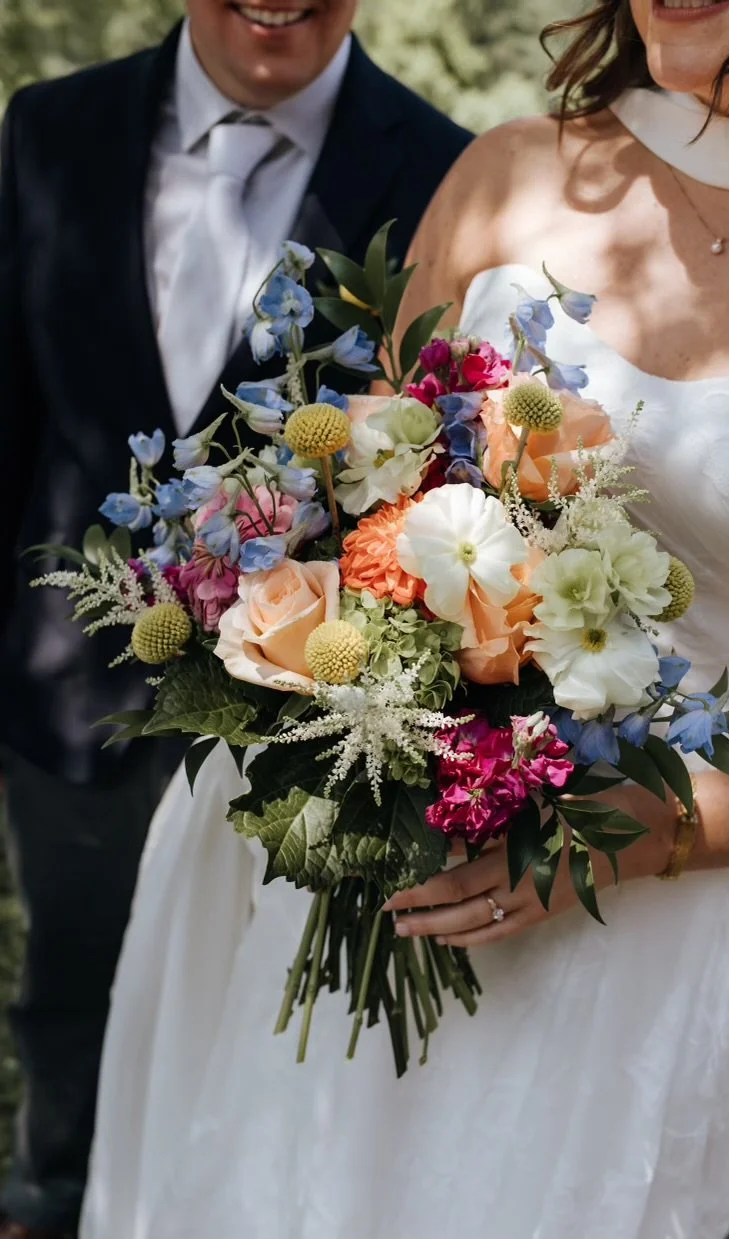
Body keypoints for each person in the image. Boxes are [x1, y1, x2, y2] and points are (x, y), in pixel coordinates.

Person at [80, 0, 729, 1234]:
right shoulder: (517, 170)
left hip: (667, 915)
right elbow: (368, 479)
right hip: (367, 836)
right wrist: (364, 678)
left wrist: (651, 827)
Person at [0, 1, 471, 1233]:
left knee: (268, 1023)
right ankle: (56, 1200)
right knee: (74, 995)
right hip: (73, 689)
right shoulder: (51, 128)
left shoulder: (447, 167)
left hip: (321, 725)